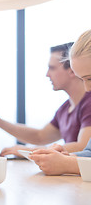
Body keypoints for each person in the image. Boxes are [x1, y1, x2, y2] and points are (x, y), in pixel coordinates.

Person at [0, 42, 91, 157]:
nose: (47, 74)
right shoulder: (65, 108)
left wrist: (30, 152)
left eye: (52, 68)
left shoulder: (88, 102)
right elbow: (40, 136)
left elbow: (84, 147)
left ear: (72, 70)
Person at [30, 30, 91, 175]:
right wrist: (67, 156)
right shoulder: (65, 107)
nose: (87, 89)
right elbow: (89, 152)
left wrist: (68, 164)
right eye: (82, 79)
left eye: (90, 79)